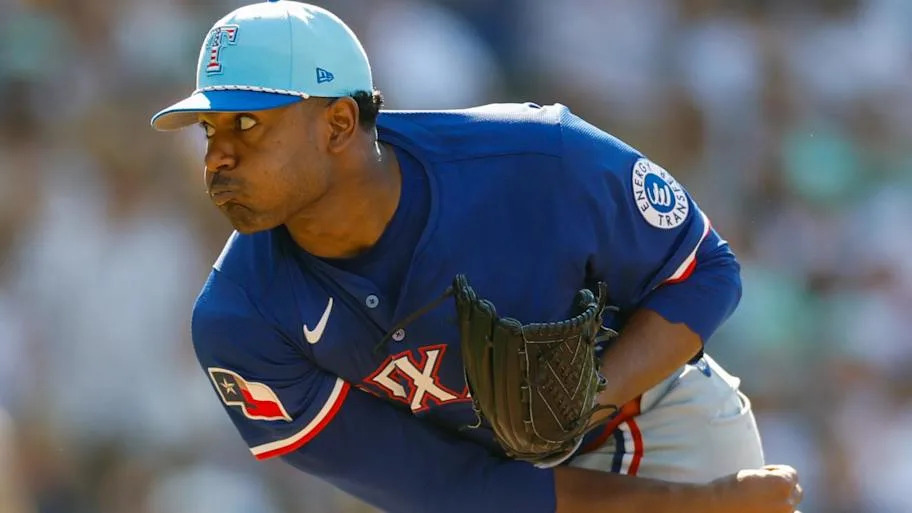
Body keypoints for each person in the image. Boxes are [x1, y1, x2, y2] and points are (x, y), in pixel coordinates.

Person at [150, 1, 803, 512]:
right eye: (211, 129)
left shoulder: (535, 159)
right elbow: (447, 492)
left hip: (654, 428)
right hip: (501, 490)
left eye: (248, 124)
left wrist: (592, 398)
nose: (218, 156)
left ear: (339, 125)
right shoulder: (239, 322)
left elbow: (703, 270)